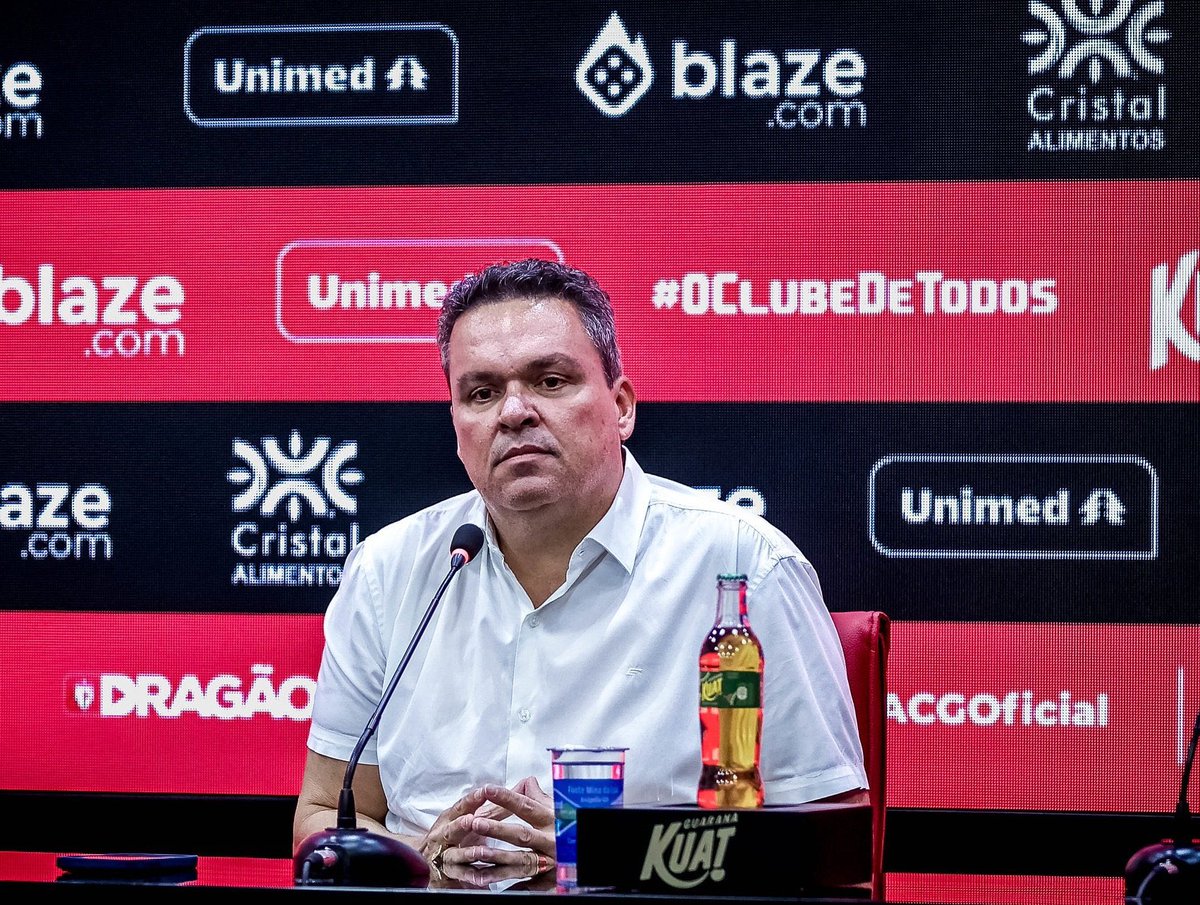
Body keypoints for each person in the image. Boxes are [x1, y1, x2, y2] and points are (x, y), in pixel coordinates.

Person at [292, 258, 867, 886]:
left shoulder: (741, 565)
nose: (513, 412)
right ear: (456, 424)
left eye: (550, 381)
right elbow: (325, 817)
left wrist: (605, 850)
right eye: (482, 393)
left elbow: (832, 843)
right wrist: (422, 857)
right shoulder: (388, 572)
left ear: (620, 406)